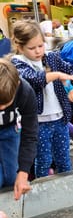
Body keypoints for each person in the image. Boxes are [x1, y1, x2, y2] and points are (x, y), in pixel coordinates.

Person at [11, 20, 73, 178]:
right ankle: (43, 191)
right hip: (38, 122)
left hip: (60, 118)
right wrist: (57, 75)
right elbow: (34, 80)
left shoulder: (51, 57)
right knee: (43, 160)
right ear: (20, 46)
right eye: (32, 48)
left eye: (40, 45)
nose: (38, 51)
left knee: (64, 158)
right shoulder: (17, 63)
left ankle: (67, 187)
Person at [0, 59, 38, 201]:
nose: (2, 108)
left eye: (5, 103)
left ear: (17, 85)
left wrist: (23, 173)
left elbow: (30, 135)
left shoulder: (25, 92)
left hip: (10, 131)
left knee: (12, 177)